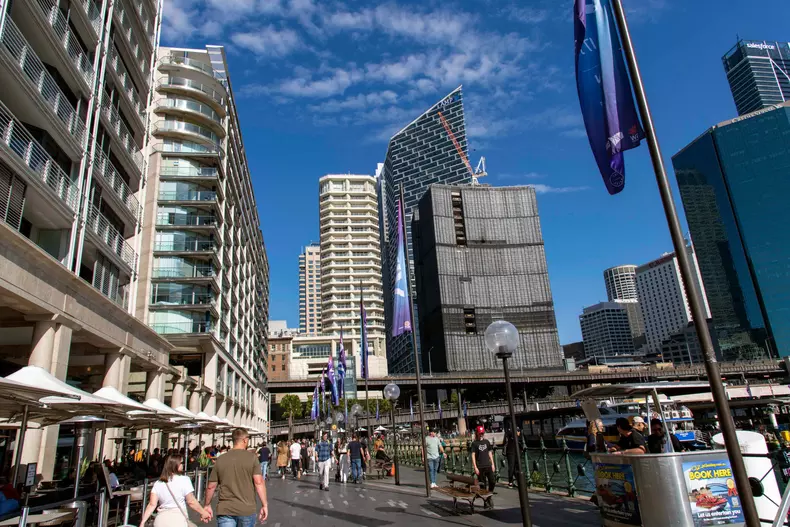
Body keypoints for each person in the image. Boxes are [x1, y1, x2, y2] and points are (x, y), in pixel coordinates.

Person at [204, 428, 268, 527]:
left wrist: (207, 505)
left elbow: (211, 486)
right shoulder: (252, 458)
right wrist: (264, 505)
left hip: (225, 509)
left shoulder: (221, 459)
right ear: (245, 440)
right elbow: (259, 482)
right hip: (246, 509)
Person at [139, 455, 211, 527]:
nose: (183, 465)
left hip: (160, 520)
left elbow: (152, 505)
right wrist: (203, 512)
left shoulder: (158, 483)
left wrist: (143, 522)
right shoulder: (184, 480)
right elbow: (191, 501)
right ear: (176, 465)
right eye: (181, 463)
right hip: (177, 519)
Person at [471, 426, 495, 500]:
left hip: (488, 465)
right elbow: (473, 455)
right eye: (480, 433)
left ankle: (489, 494)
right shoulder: (474, 443)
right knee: (483, 485)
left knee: (492, 481)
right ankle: (486, 500)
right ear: (477, 433)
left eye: (482, 433)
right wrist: (475, 467)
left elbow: (490, 452)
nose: (481, 434)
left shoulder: (486, 442)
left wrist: (493, 463)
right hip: (480, 466)